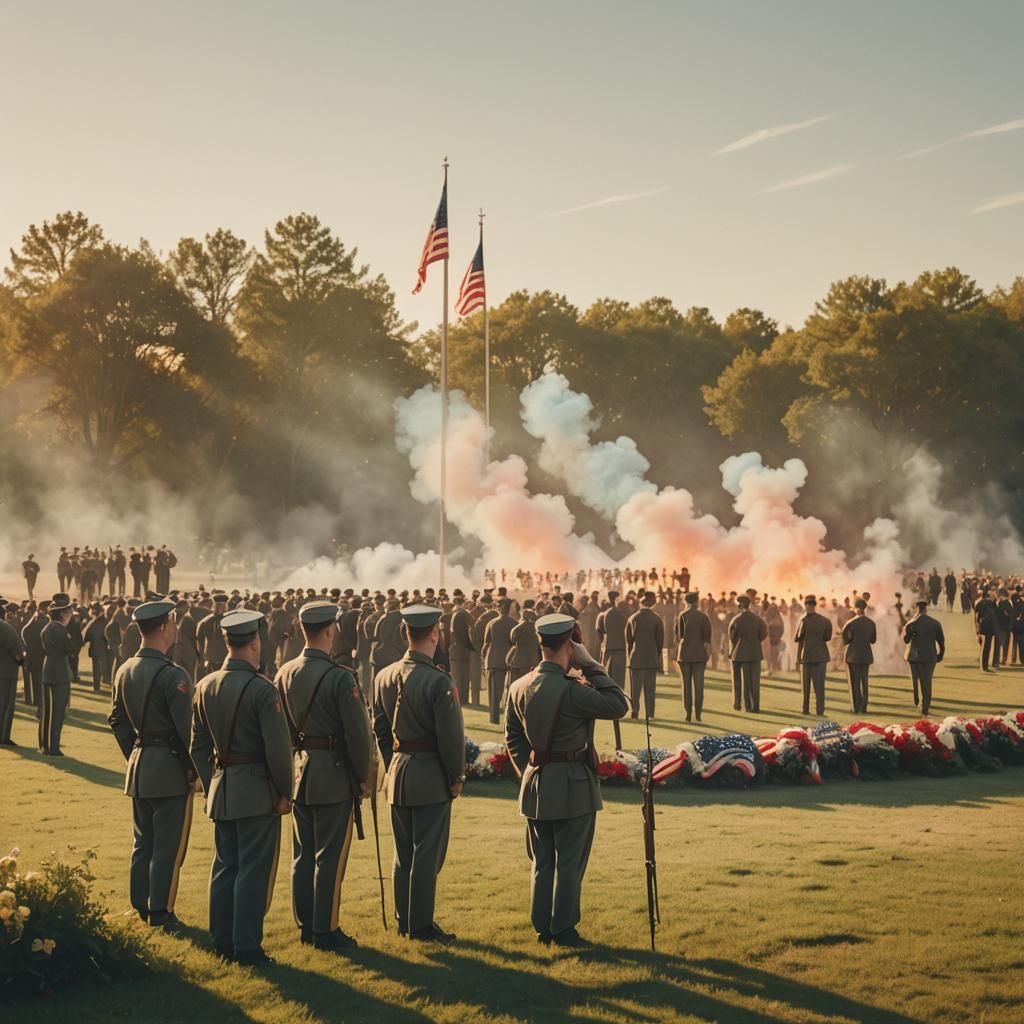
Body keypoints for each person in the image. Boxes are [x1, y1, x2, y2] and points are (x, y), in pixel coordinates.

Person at [504, 613, 629, 948]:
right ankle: (564, 930)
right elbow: (619, 705)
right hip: (573, 785)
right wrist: (592, 666)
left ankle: (543, 926)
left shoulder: (518, 686)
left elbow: (513, 739)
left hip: (536, 784)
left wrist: (529, 771)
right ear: (571, 646)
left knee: (542, 862)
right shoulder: (573, 691)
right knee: (570, 862)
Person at [190, 608, 293, 967]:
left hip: (223, 788)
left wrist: (212, 782)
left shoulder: (204, 685)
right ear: (255, 642)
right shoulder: (263, 689)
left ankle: (222, 941)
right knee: (252, 869)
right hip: (257, 792)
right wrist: (285, 792)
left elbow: (198, 747)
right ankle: (247, 946)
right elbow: (278, 750)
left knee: (225, 868)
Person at [275, 601, 374, 952]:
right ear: (330, 631)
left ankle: (306, 924)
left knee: (302, 854)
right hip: (332, 773)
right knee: (329, 855)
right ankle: (326, 928)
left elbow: (282, 729)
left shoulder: (284, 672)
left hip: (299, 771)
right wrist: (364, 777)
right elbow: (358, 734)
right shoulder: (340, 677)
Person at [372, 604, 465, 944]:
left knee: (404, 853)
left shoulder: (383, 675)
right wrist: (456, 776)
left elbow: (379, 728)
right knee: (426, 854)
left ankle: (405, 919)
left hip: (397, 771)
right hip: (429, 774)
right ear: (435, 635)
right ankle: (421, 925)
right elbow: (451, 737)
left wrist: (393, 760)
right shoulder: (439, 681)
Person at [108, 599, 198, 930]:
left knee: (142, 841)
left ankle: (140, 905)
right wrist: (196, 772)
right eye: (173, 623)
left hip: (140, 764)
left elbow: (116, 720)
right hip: (170, 770)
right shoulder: (173, 675)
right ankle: (161, 911)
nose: (175, 628)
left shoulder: (124, 668)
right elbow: (187, 732)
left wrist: (136, 750)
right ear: (162, 628)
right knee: (167, 846)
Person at [39, 593, 76, 755]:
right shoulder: (60, 629)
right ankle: (53, 747)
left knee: (47, 711)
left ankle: (45, 745)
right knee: (58, 712)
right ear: (62, 614)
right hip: (59, 671)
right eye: (68, 613)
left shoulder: (47, 628)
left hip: (49, 669)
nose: (69, 616)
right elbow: (71, 649)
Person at [625, 592, 664, 719]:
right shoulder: (657, 619)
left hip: (636, 657)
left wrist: (631, 653)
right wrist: (656, 655)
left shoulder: (633, 618)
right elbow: (660, 642)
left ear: (641, 602)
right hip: (651, 658)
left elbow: (629, 640)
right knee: (650, 689)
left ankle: (635, 712)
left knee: (635, 689)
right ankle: (650, 714)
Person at [903, 599, 944, 717]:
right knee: (927, 681)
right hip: (929, 655)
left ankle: (917, 700)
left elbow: (906, 640)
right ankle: (925, 706)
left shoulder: (911, 623)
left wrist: (912, 633)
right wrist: (940, 654)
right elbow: (941, 641)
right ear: (926, 608)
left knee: (915, 680)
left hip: (914, 656)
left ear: (917, 608)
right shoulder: (935, 623)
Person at [675, 592, 711, 723]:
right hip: (699, 654)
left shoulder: (682, 615)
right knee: (699, 685)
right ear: (696, 601)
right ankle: (698, 713)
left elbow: (679, 635)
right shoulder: (703, 616)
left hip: (684, 654)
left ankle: (688, 713)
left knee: (686, 685)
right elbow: (707, 637)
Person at [794, 595, 832, 717]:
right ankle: (820, 710)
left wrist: (798, 658)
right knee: (819, 687)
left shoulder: (803, 620)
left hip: (807, 656)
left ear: (807, 605)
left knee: (806, 687)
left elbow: (799, 640)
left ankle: (805, 709)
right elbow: (827, 638)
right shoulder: (825, 621)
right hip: (820, 656)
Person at [728, 595, 766, 713]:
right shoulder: (758, 619)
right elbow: (763, 635)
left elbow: (732, 637)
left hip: (739, 653)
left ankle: (740, 704)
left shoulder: (736, 620)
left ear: (740, 605)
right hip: (755, 652)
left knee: (739, 681)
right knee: (754, 681)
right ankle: (755, 706)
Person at [482, 599, 516, 725]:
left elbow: (486, 643)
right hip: (506, 659)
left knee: (493, 691)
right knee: (502, 689)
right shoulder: (514, 623)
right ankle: (506, 717)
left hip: (491, 659)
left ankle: (493, 717)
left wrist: (483, 658)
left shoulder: (491, 623)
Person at [0, 599, 27, 745]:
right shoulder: (5, 628)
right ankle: (3, 737)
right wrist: (21, 661)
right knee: (5, 705)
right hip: (6, 671)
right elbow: (16, 650)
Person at [598, 592, 628, 691]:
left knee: (609, 675)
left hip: (608, 647)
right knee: (619, 677)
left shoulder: (604, 614)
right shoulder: (623, 616)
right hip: (620, 648)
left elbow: (600, 630)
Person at [974, 589, 999, 672]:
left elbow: (976, 617)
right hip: (991, 627)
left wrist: (977, 628)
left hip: (982, 626)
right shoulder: (992, 603)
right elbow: (996, 614)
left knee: (983, 646)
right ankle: (984, 666)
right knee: (987, 647)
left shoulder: (979, 603)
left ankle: (984, 666)